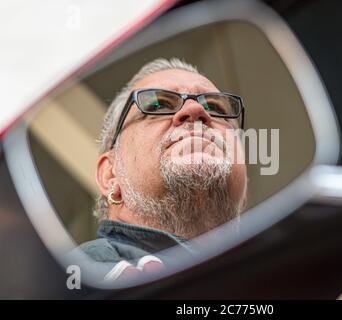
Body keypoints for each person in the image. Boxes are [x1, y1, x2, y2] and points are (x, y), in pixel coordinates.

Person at [74, 58, 248, 282]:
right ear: (111, 175)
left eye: (214, 108)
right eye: (159, 105)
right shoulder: (78, 275)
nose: (195, 110)